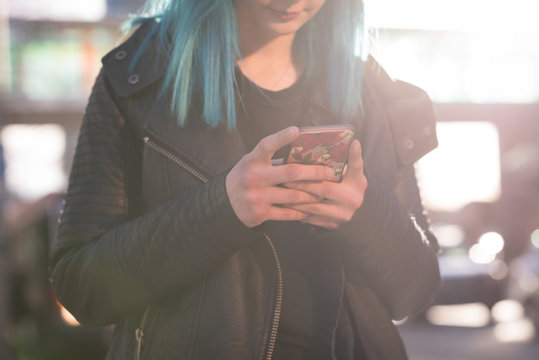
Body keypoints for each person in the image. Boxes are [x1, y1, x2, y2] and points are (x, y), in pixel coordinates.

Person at [50, 0, 441, 359]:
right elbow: (82, 286)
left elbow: (417, 289)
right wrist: (222, 209)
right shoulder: (137, 78)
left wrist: (366, 211)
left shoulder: (369, 90)